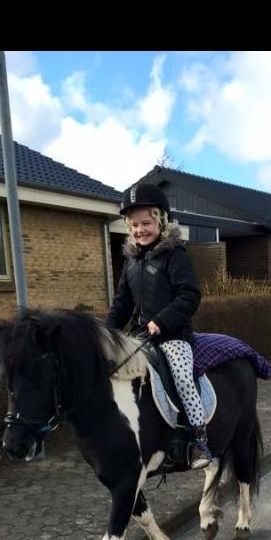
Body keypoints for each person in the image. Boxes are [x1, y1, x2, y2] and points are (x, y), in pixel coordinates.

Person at [106, 183, 213, 469]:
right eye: (133, 225)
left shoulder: (174, 254)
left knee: (181, 375)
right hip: (141, 337)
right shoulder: (130, 261)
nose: (139, 230)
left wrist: (162, 321)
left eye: (145, 223)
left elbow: (189, 295)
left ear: (160, 220)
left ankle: (198, 439)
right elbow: (121, 303)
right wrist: (106, 333)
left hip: (173, 336)